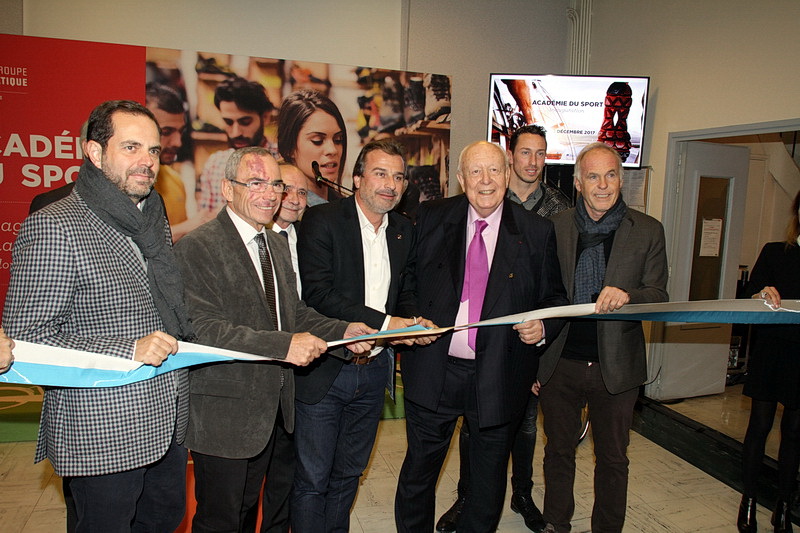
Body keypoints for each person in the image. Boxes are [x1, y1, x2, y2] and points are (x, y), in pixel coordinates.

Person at [2, 100, 194, 531]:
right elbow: (25, 340)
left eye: (154, 151)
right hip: (101, 426)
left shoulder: (154, 217)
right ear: (93, 152)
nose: (146, 161)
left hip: (169, 416)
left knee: (164, 520)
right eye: (131, 147)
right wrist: (128, 348)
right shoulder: (56, 225)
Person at [173, 146, 374, 533]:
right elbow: (205, 329)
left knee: (252, 512)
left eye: (276, 184)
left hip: (273, 410)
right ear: (228, 190)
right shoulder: (198, 247)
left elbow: (293, 313)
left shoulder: (276, 244)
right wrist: (284, 346)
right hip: (224, 416)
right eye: (256, 183)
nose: (270, 193)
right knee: (220, 519)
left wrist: (342, 329)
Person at [394, 141, 568, 533]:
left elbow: (554, 298)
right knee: (418, 475)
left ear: (507, 175)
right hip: (433, 368)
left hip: (499, 375)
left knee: (488, 482)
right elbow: (406, 281)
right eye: (475, 172)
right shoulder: (432, 217)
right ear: (460, 179)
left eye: (494, 171)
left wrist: (542, 326)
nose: (485, 181)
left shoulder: (536, 231)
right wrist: (411, 317)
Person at [292, 138, 436, 533]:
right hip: (326, 370)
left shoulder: (405, 230)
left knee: (348, 474)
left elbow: (404, 290)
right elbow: (319, 294)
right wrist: (391, 324)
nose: (390, 184)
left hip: (373, 372)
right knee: (312, 480)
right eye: (379, 173)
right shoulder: (323, 221)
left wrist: (412, 322)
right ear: (357, 179)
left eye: (398, 177)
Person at [537, 142, 668, 533]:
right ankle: (555, 523)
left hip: (617, 368)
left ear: (621, 180)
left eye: (611, 175)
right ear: (578, 183)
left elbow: (658, 296)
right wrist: (533, 360)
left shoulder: (647, 230)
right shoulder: (555, 228)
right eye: (593, 176)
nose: (603, 185)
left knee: (613, 459)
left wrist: (630, 297)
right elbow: (541, 295)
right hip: (560, 363)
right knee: (558, 451)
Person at [736, 190, 800, 533]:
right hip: (772, 350)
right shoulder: (776, 252)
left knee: (794, 433)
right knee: (759, 427)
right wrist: (761, 294)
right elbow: (749, 295)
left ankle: (784, 505)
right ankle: (748, 500)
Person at [197, 76, 275, 213]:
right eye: (228, 122)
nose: (235, 133)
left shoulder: (284, 159)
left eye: (245, 122)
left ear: (265, 117)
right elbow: (205, 224)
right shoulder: (214, 164)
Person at [277, 89, 347, 206]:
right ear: (290, 148)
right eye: (318, 141)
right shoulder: (282, 210)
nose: (333, 150)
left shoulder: (344, 206)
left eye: (338, 140)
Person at [145, 82, 189, 227]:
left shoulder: (175, 181)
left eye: (181, 131)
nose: (178, 142)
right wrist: (189, 227)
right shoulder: (124, 184)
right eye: (166, 132)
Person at [271, 162, 308, 292]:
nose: (295, 200)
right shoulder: (255, 236)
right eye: (286, 190)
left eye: (302, 193)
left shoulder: (310, 237)